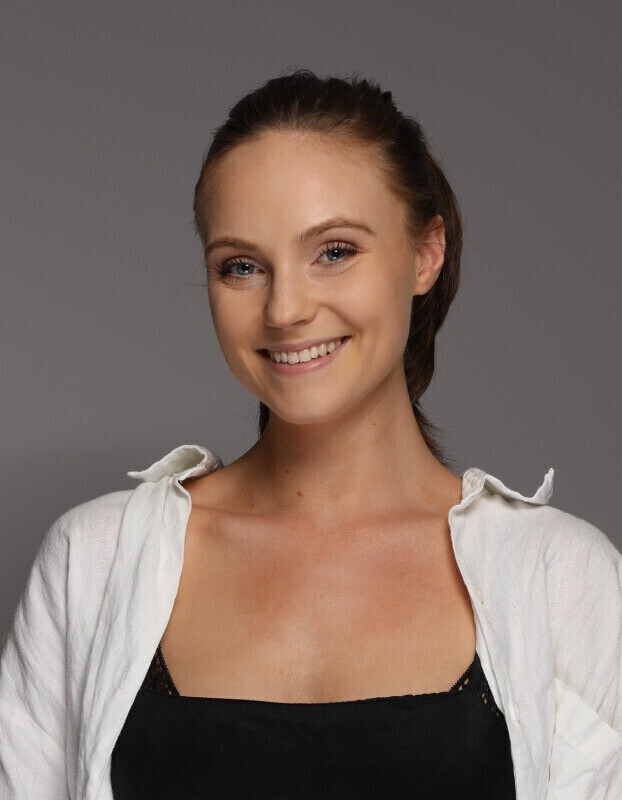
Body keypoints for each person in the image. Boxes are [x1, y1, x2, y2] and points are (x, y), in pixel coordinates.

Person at [0, 69, 620, 799]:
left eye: (334, 251)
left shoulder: (560, 579)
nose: (285, 309)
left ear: (426, 253)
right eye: (241, 266)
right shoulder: (93, 564)